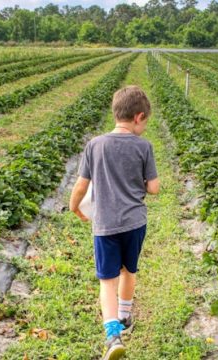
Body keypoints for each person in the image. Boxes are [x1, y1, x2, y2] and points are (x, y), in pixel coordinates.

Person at [69, 85, 160, 360]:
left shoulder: (95, 145)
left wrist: (75, 208)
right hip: (135, 223)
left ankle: (112, 334)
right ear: (138, 117)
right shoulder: (144, 146)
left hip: (105, 224)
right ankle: (125, 316)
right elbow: (154, 188)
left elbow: (81, 186)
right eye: (145, 122)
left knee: (107, 280)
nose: (144, 127)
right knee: (128, 272)